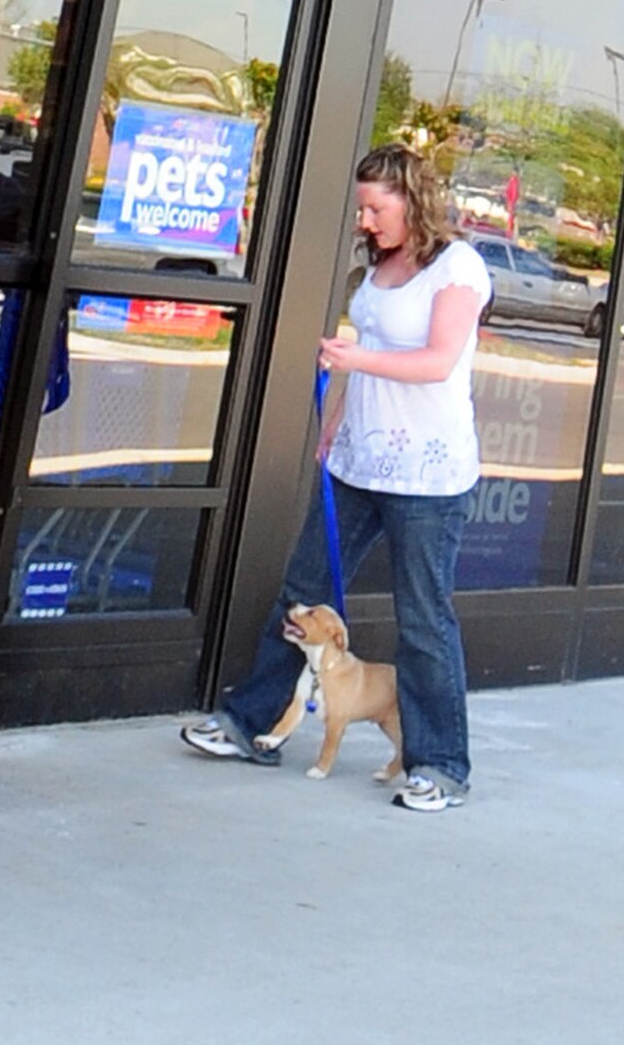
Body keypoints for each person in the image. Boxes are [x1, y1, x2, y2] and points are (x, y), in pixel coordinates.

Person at [183, 143, 491, 813]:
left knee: (423, 620)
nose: (367, 221)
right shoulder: (379, 268)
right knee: (303, 595)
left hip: (428, 478)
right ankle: (252, 726)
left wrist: (357, 358)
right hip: (358, 463)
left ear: (412, 198)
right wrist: (333, 424)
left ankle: (440, 765)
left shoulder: (457, 268)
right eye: (362, 209)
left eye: (377, 208)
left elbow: (438, 361)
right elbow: (368, 358)